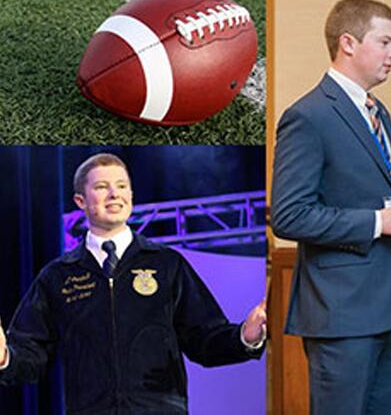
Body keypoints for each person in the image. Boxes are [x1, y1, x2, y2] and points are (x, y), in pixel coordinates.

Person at [0, 153, 267, 414]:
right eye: (102, 187)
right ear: (80, 200)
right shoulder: (58, 275)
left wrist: (246, 336)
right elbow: (30, 352)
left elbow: (205, 339)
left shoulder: (166, 264)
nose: (114, 194)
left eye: (122, 186)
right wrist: (4, 356)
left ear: (131, 196)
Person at [271, 0, 391, 415]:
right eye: (385, 42)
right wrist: (380, 221)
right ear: (348, 43)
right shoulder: (308, 117)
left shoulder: (379, 112)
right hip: (343, 314)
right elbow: (288, 215)